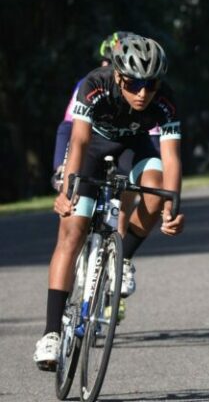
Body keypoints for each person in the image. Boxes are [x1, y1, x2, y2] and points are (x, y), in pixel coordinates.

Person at [34, 33, 186, 371]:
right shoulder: (95, 84)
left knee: (156, 189)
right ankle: (51, 333)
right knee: (73, 231)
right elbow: (79, 139)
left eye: (151, 84)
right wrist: (67, 191)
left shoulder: (166, 100)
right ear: (118, 76)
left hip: (135, 147)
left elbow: (171, 157)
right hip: (93, 147)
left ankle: (123, 257)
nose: (143, 93)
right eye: (134, 84)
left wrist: (171, 208)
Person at [51, 32, 162, 192]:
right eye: (107, 60)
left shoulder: (142, 90)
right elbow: (68, 125)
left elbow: (153, 135)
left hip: (130, 145)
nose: (107, 66)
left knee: (133, 185)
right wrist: (60, 166)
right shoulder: (89, 84)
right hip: (95, 142)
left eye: (113, 62)